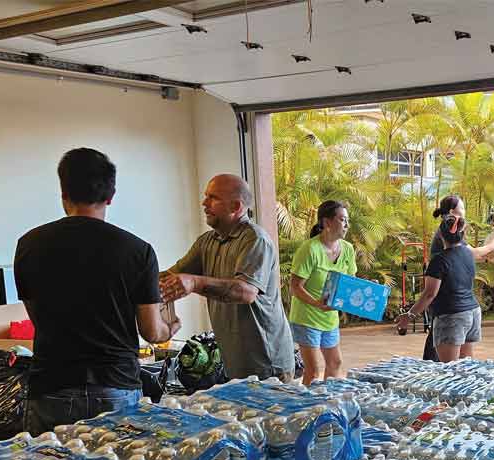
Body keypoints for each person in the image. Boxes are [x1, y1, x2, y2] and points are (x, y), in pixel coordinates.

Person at [15, 148, 180, 435]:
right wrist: (171, 327)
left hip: (52, 385)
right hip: (115, 385)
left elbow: (36, 315)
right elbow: (152, 333)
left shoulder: (29, 244)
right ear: (110, 196)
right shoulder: (137, 251)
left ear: (63, 193)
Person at [160, 174, 295, 381]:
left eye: (213, 198)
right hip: (235, 363)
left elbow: (246, 291)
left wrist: (194, 282)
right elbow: (171, 276)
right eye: (206, 196)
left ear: (236, 206)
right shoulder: (207, 242)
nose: (204, 203)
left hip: (267, 364)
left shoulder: (255, 240)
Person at [420, 195, 494, 360]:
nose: (465, 211)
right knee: (453, 361)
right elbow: (473, 253)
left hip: (454, 308)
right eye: (462, 208)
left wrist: (410, 314)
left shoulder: (451, 232)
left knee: (447, 361)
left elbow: (474, 254)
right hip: (460, 306)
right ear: (452, 212)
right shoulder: (450, 235)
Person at [397, 213, 482, 362]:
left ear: (440, 235)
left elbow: (430, 294)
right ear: (463, 234)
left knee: (449, 372)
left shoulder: (439, 260)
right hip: (473, 312)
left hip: (452, 316)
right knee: (466, 368)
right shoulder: (468, 254)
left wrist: (409, 316)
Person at [288, 200, 356, 385]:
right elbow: (295, 287)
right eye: (342, 220)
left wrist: (367, 289)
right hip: (307, 317)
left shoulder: (348, 249)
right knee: (314, 370)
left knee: (335, 363)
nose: (347, 225)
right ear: (326, 223)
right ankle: (309, 410)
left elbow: (349, 283)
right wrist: (317, 304)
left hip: (329, 317)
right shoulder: (310, 249)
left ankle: (327, 404)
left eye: (347, 220)